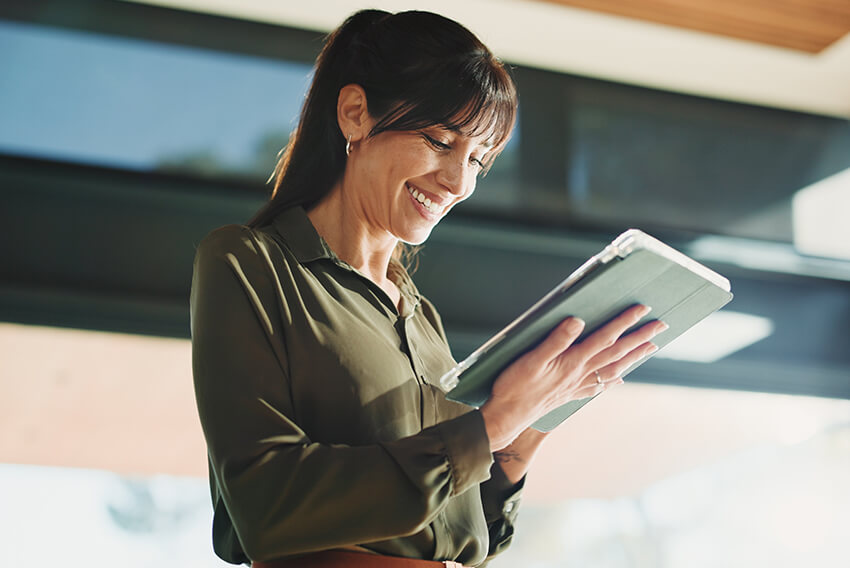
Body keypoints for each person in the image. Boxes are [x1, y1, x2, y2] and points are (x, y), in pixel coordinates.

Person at [190, 9, 666, 568]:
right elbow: (265, 504)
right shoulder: (251, 263)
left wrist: (521, 436)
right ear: (354, 114)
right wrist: (490, 427)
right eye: (441, 141)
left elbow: (455, 533)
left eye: (479, 161)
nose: (459, 183)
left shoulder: (421, 318)